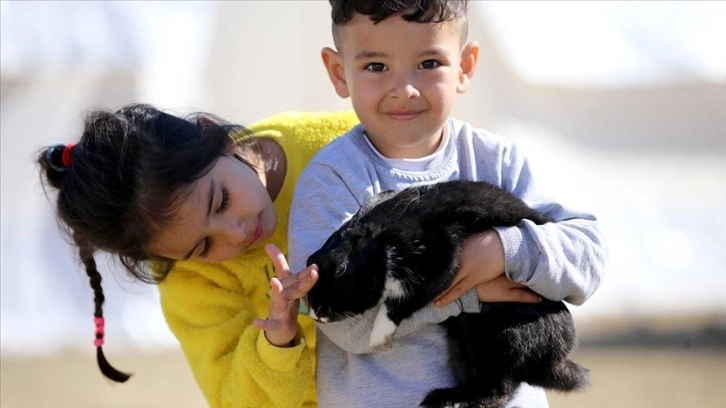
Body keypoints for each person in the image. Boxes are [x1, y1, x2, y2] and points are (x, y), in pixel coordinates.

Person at [288, 1, 606, 407]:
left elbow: (588, 258)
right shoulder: (332, 180)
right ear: (338, 72)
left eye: (428, 63)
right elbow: (341, 325)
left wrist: (502, 250)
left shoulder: (499, 161)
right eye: (376, 67)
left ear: (466, 66)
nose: (404, 88)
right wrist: (468, 289)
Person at [37, 104, 360, 407]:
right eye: (204, 246)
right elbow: (233, 398)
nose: (237, 233)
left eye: (221, 201)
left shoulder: (336, 147)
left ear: (215, 137)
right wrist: (277, 344)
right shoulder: (189, 279)